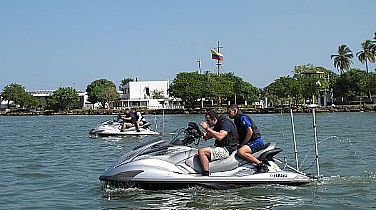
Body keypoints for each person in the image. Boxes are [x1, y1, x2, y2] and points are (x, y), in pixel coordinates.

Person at [228, 104, 269, 173]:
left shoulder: (243, 118)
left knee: (241, 151)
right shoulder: (236, 120)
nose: (228, 115)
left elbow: (250, 131)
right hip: (251, 142)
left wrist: (243, 144)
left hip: (256, 142)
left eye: (229, 112)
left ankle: (261, 165)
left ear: (235, 111)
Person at [198, 110, 238, 176]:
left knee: (202, 151)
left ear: (214, 119)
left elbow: (220, 136)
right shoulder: (218, 124)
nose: (207, 123)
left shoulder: (226, 123)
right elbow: (207, 137)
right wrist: (199, 133)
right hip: (222, 148)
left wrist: (207, 128)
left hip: (227, 149)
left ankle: (205, 174)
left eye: (208, 121)